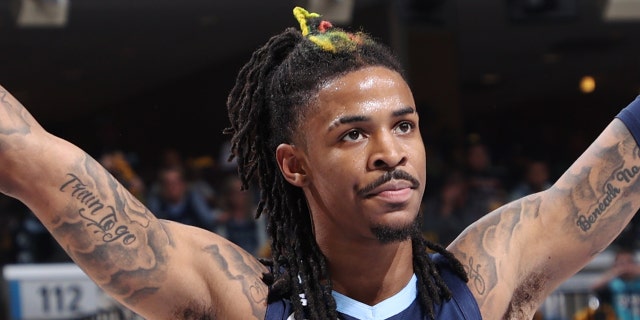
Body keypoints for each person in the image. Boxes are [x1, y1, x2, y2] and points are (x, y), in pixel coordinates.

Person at [1, 6, 640, 319]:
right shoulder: (239, 301)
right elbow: (26, 156)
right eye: (353, 135)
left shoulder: (488, 281)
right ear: (293, 165)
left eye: (405, 126)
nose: (391, 152)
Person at [591, 247, 640, 319]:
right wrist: (615, 272)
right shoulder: (614, 284)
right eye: (622, 263)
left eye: (629, 262)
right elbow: (594, 287)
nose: (626, 266)